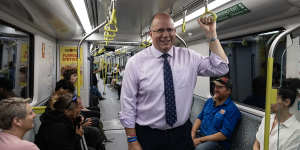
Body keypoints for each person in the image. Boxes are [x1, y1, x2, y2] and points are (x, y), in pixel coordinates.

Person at [119, 12, 229, 150]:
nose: (166, 35)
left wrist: (211, 34)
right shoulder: (135, 63)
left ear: (175, 32)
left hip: (181, 134)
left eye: (170, 30)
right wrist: (132, 140)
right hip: (148, 136)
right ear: (150, 34)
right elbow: (128, 104)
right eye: (160, 30)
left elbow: (221, 68)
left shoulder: (189, 57)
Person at [191, 77, 241, 150]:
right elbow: (200, 118)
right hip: (201, 135)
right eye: (215, 86)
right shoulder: (209, 102)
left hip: (216, 143)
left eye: (220, 87)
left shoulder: (232, 110)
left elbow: (223, 135)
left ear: (228, 91)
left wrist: (200, 140)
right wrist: (193, 133)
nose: (216, 89)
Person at [253, 80, 300, 150]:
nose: (269, 101)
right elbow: (257, 143)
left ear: (286, 102)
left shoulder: (296, 130)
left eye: (274, 97)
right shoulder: (267, 118)